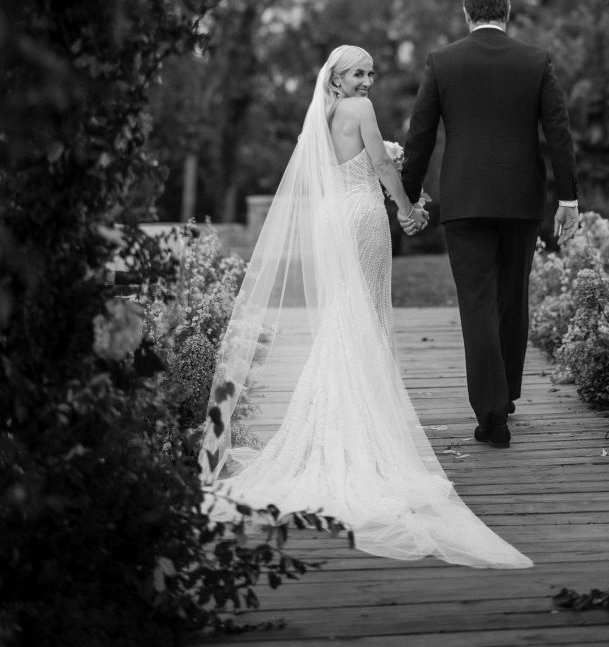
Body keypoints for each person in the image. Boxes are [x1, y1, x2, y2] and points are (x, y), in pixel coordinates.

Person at [199, 44, 531, 569]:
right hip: (362, 217)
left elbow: (344, 165)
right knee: (367, 316)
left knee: (344, 316)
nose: (367, 82)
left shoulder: (322, 116)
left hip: (333, 218)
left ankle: (332, 422)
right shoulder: (358, 110)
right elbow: (377, 162)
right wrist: (407, 206)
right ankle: (361, 427)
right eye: (357, 73)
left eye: (371, 74)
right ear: (335, 76)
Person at [402, 0, 579, 448]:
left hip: (464, 202)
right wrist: (568, 200)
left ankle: (491, 414)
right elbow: (557, 132)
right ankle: (508, 396)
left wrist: (409, 196)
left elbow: (419, 135)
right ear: (507, 12)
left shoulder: (442, 61)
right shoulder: (535, 60)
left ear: (466, 13)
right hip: (520, 200)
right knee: (511, 299)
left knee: (476, 304)